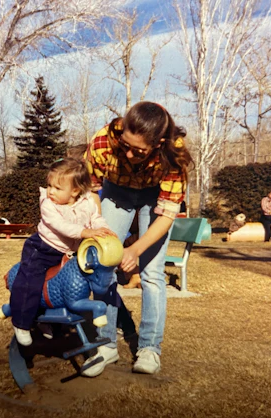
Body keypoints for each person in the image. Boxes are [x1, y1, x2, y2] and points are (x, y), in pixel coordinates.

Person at [81, 101, 193, 376]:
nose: (130, 154)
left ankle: (149, 349)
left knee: (152, 273)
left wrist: (137, 250)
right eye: (126, 145)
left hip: (154, 196)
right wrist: (99, 228)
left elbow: (167, 214)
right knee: (103, 266)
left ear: (159, 143)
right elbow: (92, 189)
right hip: (116, 192)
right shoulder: (103, 140)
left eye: (139, 150)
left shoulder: (174, 155)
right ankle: (105, 345)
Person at [8, 158, 116, 346]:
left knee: (63, 285)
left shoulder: (87, 202)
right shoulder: (49, 204)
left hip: (66, 253)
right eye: (49, 185)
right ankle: (22, 322)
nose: (51, 191)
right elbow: (60, 225)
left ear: (75, 191)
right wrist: (84, 232)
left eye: (57, 188)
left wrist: (104, 230)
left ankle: (46, 318)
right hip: (41, 248)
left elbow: (95, 218)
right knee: (31, 281)